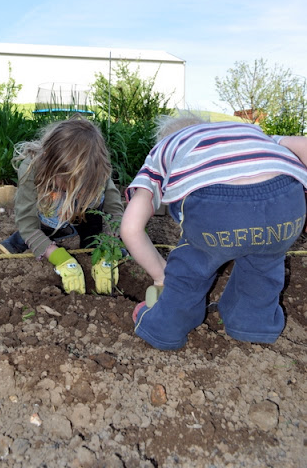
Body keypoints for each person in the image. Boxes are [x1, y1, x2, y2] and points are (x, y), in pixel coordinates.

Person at [120, 112, 307, 350]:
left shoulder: (163, 152)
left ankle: (165, 327)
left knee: (192, 267)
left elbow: (130, 228)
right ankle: (253, 324)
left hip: (217, 209)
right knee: (264, 264)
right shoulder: (251, 133)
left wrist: (161, 276)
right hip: (286, 203)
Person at [0, 115, 124, 294]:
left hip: (83, 213)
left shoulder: (97, 168)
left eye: (81, 186)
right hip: (48, 214)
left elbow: (114, 210)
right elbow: (26, 221)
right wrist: (59, 257)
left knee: (95, 202)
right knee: (47, 215)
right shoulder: (31, 168)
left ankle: (90, 244)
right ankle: (23, 240)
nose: (75, 191)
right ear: (51, 165)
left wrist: (110, 247)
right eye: (68, 183)